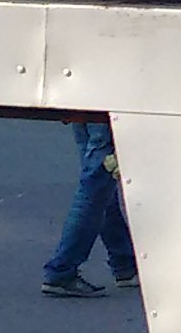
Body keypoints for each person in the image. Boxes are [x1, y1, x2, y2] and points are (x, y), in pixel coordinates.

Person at [40, 116, 137, 297]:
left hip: (86, 106)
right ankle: (62, 270)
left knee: (100, 188)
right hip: (108, 108)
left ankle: (125, 264)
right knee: (96, 188)